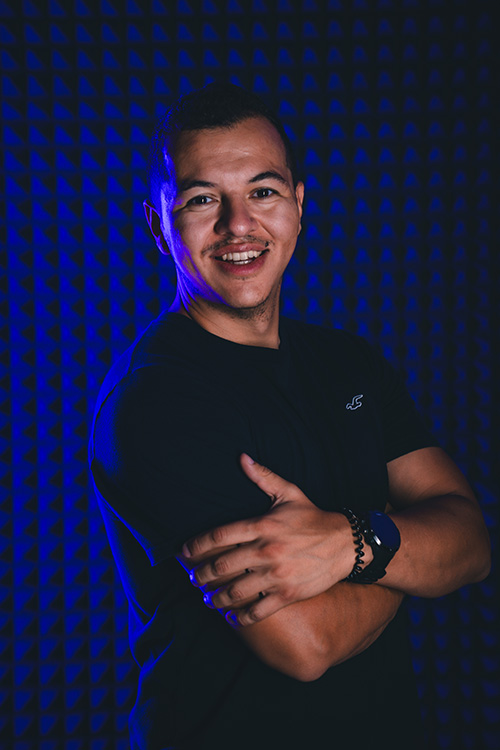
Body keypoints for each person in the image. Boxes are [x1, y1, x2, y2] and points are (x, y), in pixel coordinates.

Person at [89, 83, 491, 750]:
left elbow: (473, 545)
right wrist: (388, 544)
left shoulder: (350, 363)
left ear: (299, 206)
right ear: (159, 226)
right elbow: (308, 644)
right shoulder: (153, 402)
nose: (238, 225)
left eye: (263, 191)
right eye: (202, 200)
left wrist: (345, 544)